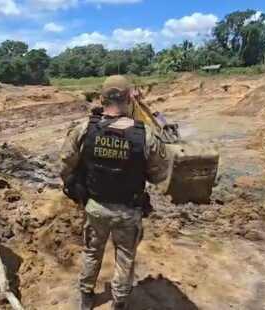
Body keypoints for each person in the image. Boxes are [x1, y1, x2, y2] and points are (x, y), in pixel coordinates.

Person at [60, 76, 170, 310]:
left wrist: (77, 191)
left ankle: (86, 297)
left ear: (102, 99)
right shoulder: (146, 135)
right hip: (128, 211)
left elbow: (65, 165)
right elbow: (159, 176)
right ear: (130, 98)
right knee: (125, 257)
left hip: (95, 207)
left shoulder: (84, 129)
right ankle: (119, 302)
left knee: (91, 252)